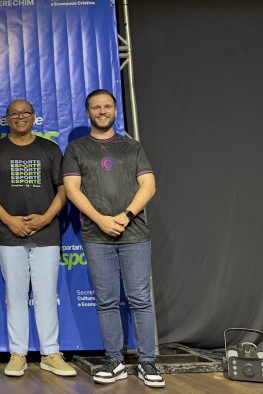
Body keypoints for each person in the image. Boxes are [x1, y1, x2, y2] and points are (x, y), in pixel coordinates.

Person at [62, 89, 163, 388]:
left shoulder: (132, 147)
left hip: (135, 234)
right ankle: (115, 360)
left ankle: (147, 362)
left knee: (140, 299)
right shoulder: (76, 149)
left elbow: (148, 185)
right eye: (96, 107)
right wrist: (101, 220)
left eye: (107, 106)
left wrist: (126, 215)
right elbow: (72, 190)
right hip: (96, 235)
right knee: (106, 300)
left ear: (115, 111)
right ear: (88, 112)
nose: (102, 111)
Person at [0, 99, 76, 378]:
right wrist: (9, 220)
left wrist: (45, 218)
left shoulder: (50, 149)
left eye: (25, 113)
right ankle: (18, 353)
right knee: (16, 296)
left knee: (46, 296)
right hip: (9, 234)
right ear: (7, 119)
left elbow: (64, 190)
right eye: (15, 114)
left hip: (47, 233)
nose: (20, 117)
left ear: (34, 117)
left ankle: (50, 353)